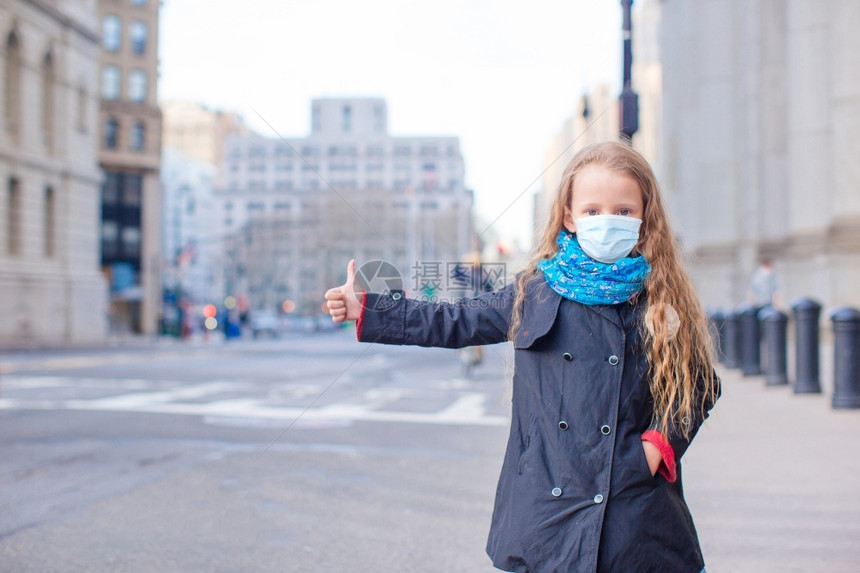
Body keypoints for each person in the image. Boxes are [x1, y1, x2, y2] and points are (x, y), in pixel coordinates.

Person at [325, 141, 720, 572]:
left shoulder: (660, 297)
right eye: (593, 211)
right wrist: (368, 309)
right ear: (569, 216)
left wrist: (656, 447)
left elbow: (699, 383)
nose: (608, 222)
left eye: (623, 211)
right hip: (545, 509)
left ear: (645, 217)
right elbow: (454, 320)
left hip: (634, 515)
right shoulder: (533, 291)